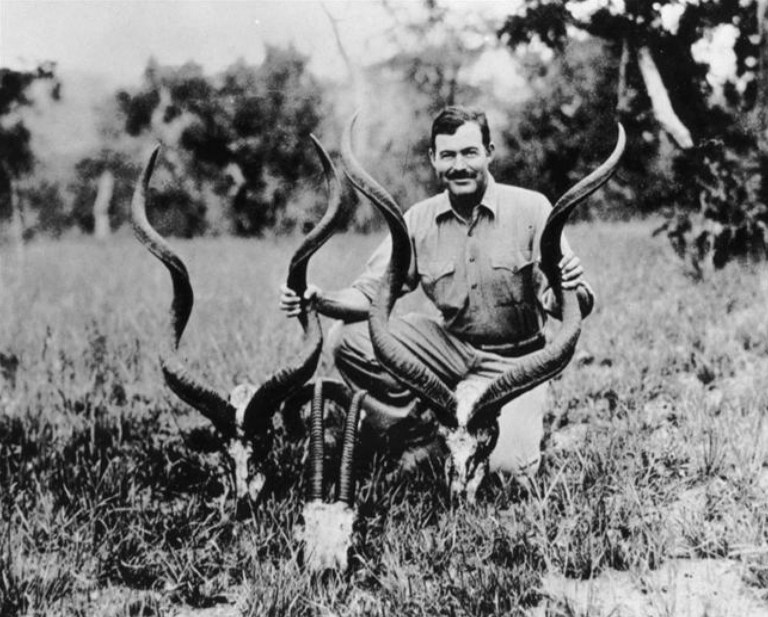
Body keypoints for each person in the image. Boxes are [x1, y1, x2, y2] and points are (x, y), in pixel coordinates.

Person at [279, 106, 594, 480]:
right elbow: (370, 294)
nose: (459, 165)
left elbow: (568, 303)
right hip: (451, 351)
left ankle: (463, 431)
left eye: (469, 153)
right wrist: (317, 298)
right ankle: (418, 430)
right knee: (346, 339)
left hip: (515, 364)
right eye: (448, 155)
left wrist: (570, 289)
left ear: (489, 152)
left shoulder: (532, 208)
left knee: (507, 470)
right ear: (433, 159)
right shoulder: (418, 220)